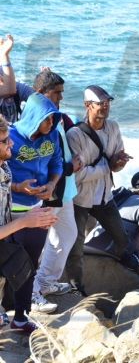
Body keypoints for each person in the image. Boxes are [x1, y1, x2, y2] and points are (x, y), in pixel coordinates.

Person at [66, 85, 139, 295]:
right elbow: (78, 175)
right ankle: (76, 285)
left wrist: (119, 163)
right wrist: (108, 167)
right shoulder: (75, 135)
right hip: (81, 198)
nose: (105, 107)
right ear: (87, 106)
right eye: (100, 103)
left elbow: (116, 160)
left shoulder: (113, 127)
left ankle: (121, 258)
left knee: (121, 237)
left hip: (105, 195)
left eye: (107, 103)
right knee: (76, 246)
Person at [0, 112, 58, 334]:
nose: (12, 144)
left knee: (25, 267)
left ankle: (20, 318)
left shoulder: (4, 167)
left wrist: (19, 188)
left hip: (5, 234)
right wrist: (25, 221)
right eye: (5, 141)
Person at [31, 69, 82, 310]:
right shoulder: (37, 120)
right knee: (34, 245)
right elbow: (41, 158)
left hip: (64, 190)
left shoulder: (56, 116)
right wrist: (71, 167)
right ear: (41, 93)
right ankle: (32, 294)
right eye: (56, 93)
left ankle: (46, 281)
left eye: (62, 92)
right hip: (48, 191)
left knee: (67, 234)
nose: (61, 97)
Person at [8, 92, 63, 314]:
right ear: (33, 116)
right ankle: (7, 309)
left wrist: (51, 184)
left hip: (38, 209)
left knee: (30, 264)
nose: (50, 123)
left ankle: (23, 314)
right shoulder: (9, 136)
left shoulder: (53, 135)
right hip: (11, 211)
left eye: (53, 118)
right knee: (9, 265)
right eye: (46, 119)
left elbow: (57, 163)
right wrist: (17, 187)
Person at [0, 34, 33, 123]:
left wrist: (47, 85)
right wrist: (4, 55)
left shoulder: (17, 87)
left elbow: (37, 98)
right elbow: (9, 89)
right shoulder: (11, 88)